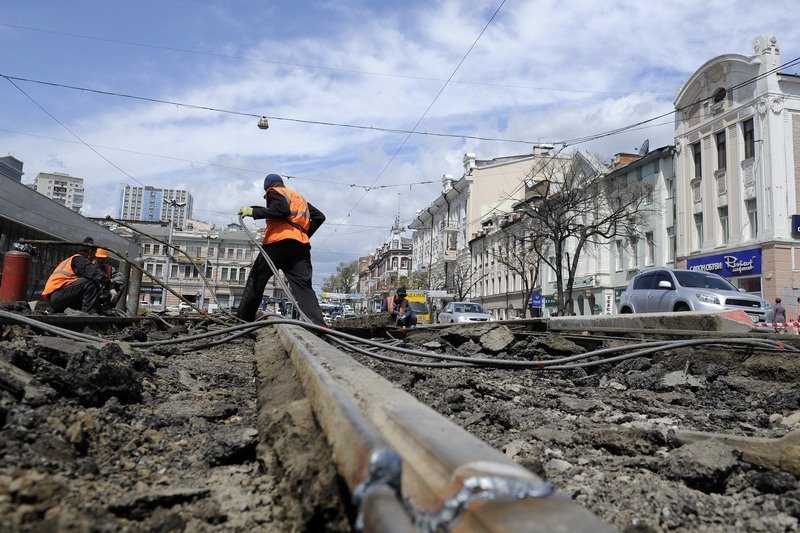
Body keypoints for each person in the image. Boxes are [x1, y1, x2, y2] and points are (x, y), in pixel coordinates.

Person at [237, 174, 327, 326]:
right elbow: (320, 217)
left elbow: (281, 210)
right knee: (303, 287)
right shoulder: (299, 198)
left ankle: (242, 321)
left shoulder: (274, 191)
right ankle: (318, 326)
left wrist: (254, 212)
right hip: (300, 247)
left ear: (268, 187)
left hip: (277, 243)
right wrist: (302, 233)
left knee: (257, 280)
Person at [42, 237, 110, 314]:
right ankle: (88, 314)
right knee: (91, 281)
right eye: (94, 254)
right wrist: (109, 283)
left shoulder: (73, 259)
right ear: (90, 252)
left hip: (55, 297)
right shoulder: (80, 260)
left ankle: (87, 311)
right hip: (57, 297)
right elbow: (96, 274)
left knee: (98, 308)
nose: (94, 257)